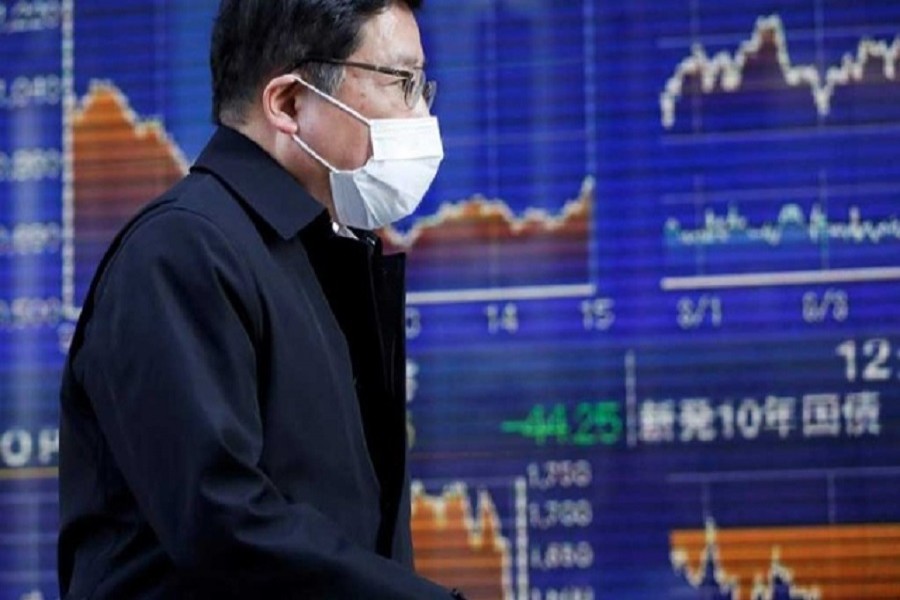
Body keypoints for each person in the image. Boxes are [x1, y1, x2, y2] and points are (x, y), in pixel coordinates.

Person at [57, 1, 466, 597]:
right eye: (400, 83)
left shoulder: (319, 252)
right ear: (289, 104)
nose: (421, 114)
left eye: (422, 86)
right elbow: (221, 520)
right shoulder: (182, 251)